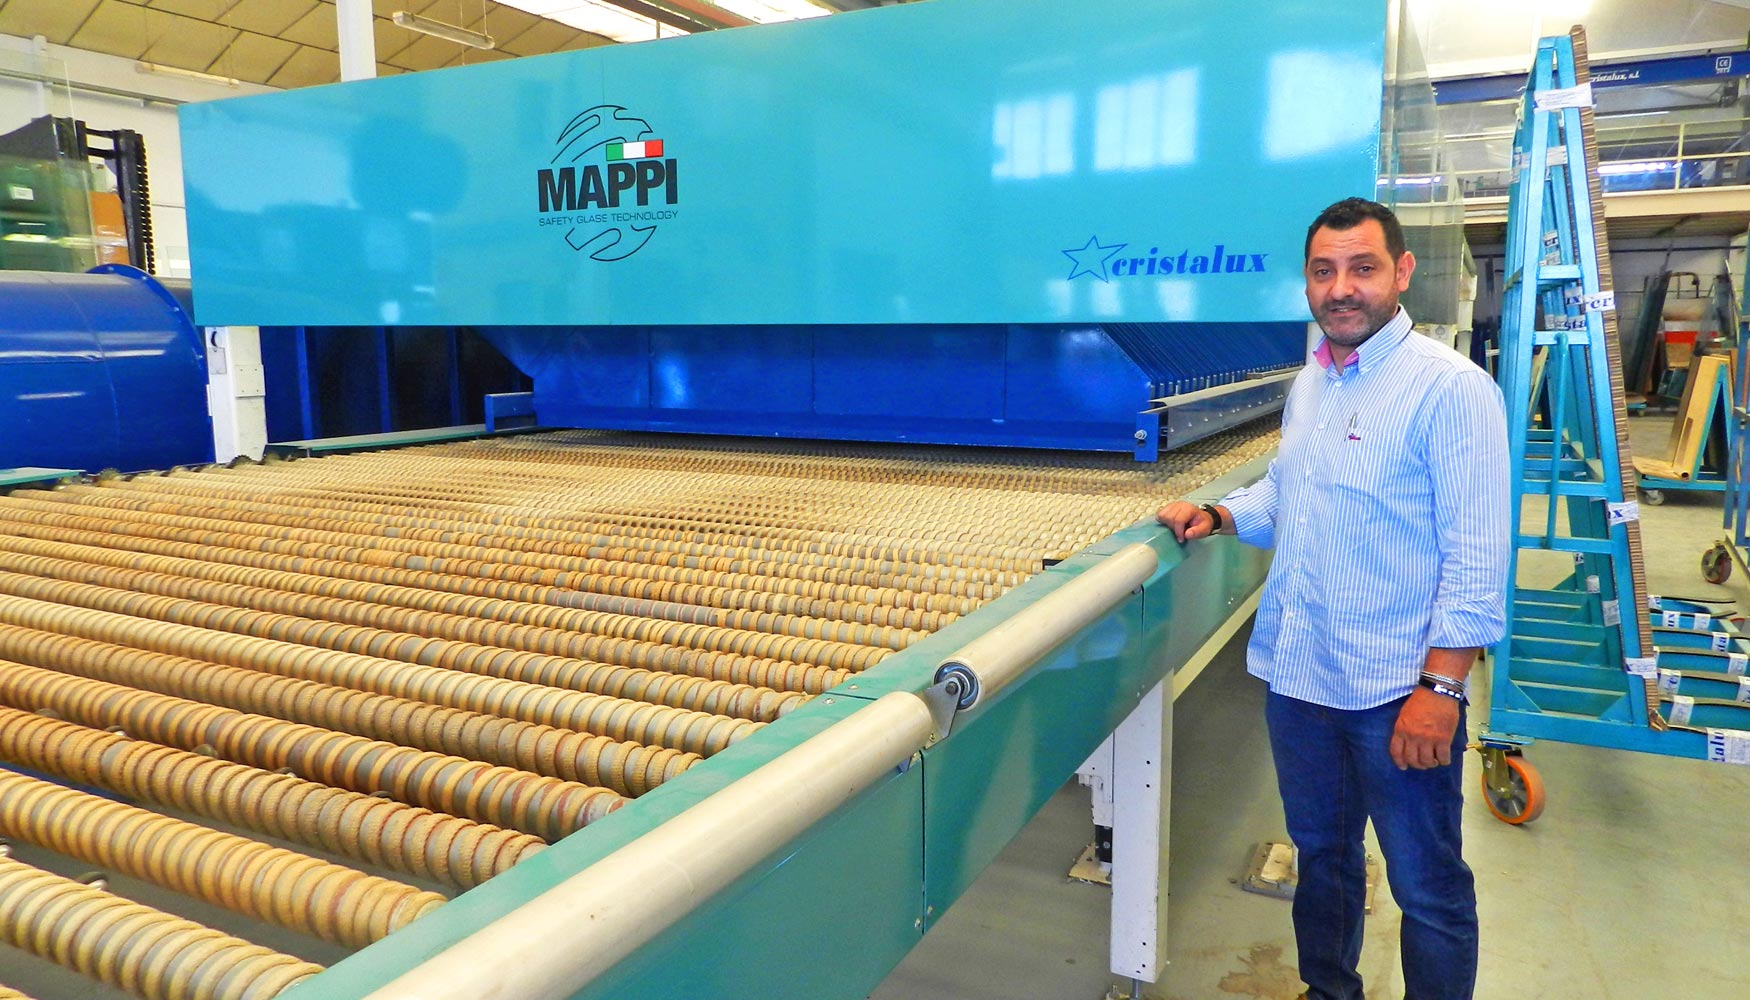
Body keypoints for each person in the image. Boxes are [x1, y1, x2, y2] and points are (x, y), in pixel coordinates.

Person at [1156, 197, 1509, 1000]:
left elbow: (1478, 556)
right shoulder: (1314, 382)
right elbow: (1287, 496)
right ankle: (1328, 991)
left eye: (1362, 267)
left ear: (1401, 274)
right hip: (1301, 679)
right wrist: (1215, 516)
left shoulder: (1450, 390)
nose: (1341, 288)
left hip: (1397, 690)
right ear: (1308, 282)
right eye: (1324, 271)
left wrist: (1442, 689)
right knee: (1323, 859)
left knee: (1429, 887)